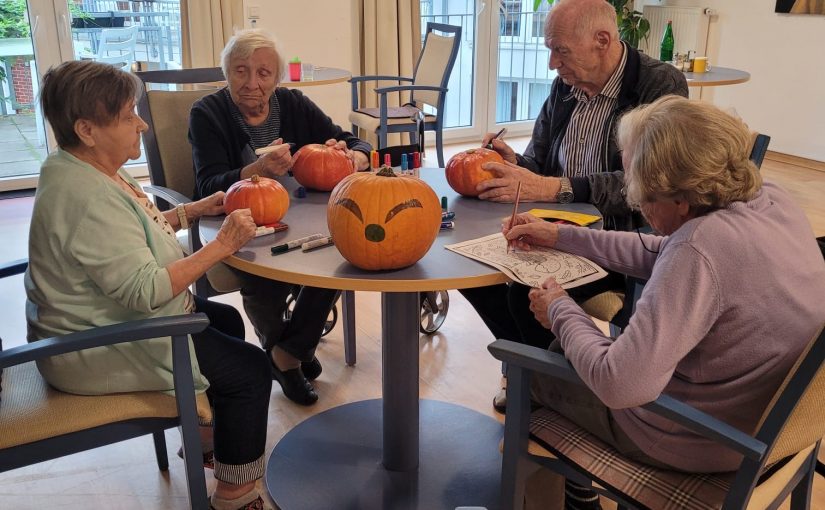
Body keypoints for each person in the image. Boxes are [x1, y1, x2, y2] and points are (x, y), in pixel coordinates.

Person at [503, 95, 825, 508]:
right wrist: (560, 235)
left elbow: (619, 382)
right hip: (772, 427)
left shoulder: (699, 247)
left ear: (681, 200)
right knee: (566, 351)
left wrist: (560, 310)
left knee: (536, 369)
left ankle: (571, 497)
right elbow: (663, 252)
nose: (641, 207)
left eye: (642, 198)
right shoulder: (771, 200)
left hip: (699, 439)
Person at [26, 60, 273, 510]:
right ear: (87, 129)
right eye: (127, 116)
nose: (141, 122)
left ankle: (202, 442)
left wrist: (191, 211)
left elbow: (130, 233)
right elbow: (144, 290)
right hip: (91, 349)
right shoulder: (86, 197)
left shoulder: (79, 167)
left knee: (225, 318)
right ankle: (235, 497)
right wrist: (222, 245)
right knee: (251, 371)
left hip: (88, 322)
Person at [458, 0, 689, 410]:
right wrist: (515, 164)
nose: (552, 64)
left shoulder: (658, 87)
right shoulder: (565, 87)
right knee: (472, 267)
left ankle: (555, 391)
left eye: (560, 50)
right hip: (559, 227)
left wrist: (555, 188)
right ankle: (534, 376)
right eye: (549, 49)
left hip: (626, 237)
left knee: (521, 291)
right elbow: (541, 163)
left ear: (603, 41)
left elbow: (649, 186)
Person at [189, 29, 372, 406]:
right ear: (227, 73)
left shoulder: (294, 104)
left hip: (299, 219)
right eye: (241, 71)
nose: (252, 83)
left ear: (277, 78)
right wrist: (256, 168)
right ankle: (290, 358)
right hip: (237, 224)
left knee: (341, 255)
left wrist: (353, 156)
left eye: (263, 73)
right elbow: (207, 184)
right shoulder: (207, 113)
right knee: (265, 277)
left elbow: (354, 141)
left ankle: (289, 350)